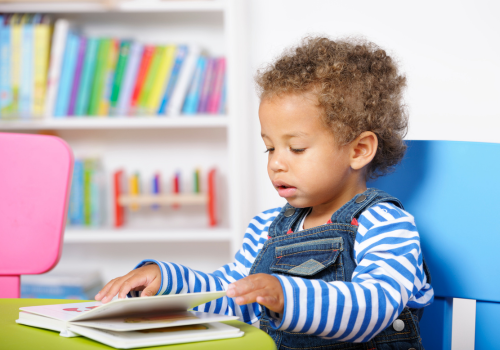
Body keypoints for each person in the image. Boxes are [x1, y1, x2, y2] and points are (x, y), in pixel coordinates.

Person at [95, 36, 434, 349]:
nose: (276, 164)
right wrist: (167, 281)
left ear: (358, 150)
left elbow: (372, 307)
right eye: (270, 149)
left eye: (297, 148)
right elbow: (234, 297)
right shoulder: (267, 228)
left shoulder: (385, 223)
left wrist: (286, 296)